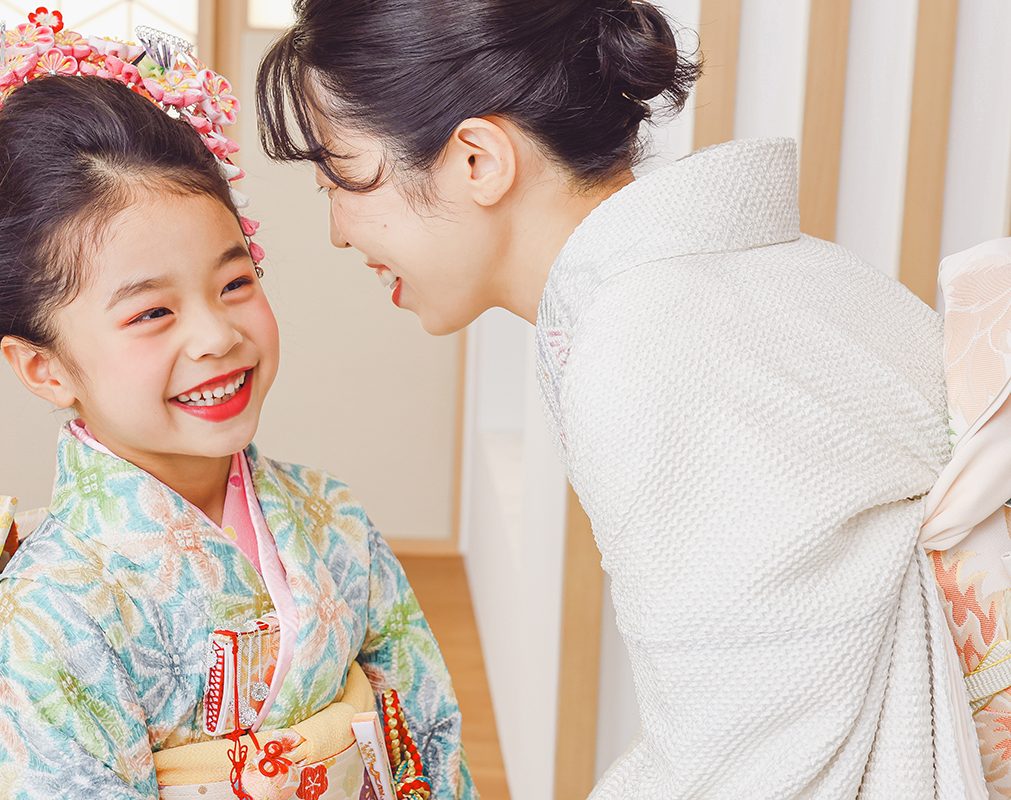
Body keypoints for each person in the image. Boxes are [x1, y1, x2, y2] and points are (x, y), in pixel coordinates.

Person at [255, 0, 982, 797]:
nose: (338, 229)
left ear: (478, 161)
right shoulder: (766, 276)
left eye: (342, 178)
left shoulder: (647, 345)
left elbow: (751, 766)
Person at [0, 14, 474, 800]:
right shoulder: (44, 625)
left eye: (235, 282)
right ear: (44, 367)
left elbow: (428, 742)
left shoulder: (333, 521)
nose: (217, 336)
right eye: (152, 312)